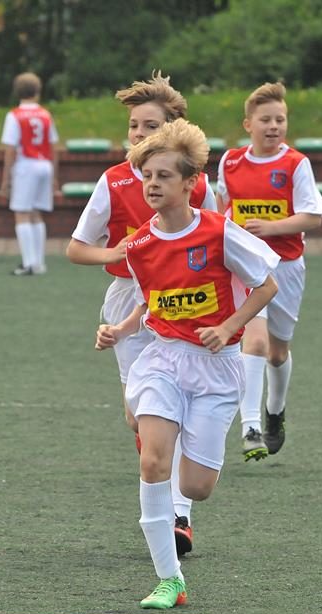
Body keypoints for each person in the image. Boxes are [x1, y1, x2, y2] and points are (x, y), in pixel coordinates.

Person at [95, 119, 278, 609]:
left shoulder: (219, 233)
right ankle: (168, 579)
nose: (152, 185)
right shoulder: (139, 246)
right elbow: (150, 303)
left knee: (197, 486)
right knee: (153, 460)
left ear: (190, 182)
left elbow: (266, 285)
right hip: (163, 358)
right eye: (147, 176)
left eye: (164, 176)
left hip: (218, 367)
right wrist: (120, 329)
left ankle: (185, 505)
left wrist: (229, 326)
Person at [66, 73, 217, 556]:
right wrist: (115, 253)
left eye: (150, 126)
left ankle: (178, 516)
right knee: (140, 418)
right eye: (134, 125)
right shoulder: (113, 181)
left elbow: (218, 241)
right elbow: (76, 247)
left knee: (177, 404)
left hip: (182, 299)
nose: (138, 134)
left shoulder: (197, 185)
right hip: (128, 297)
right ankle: (164, 499)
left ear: (173, 130)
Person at [217, 82, 322, 461]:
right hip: (248, 266)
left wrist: (271, 227)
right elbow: (223, 209)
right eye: (266, 119)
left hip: (286, 266)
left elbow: (313, 216)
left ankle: (274, 411)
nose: (274, 126)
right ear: (248, 124)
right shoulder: (230, 162)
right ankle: (250, 428)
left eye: (280, 119)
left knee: (277, 353)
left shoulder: (296, 164)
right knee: (255, 342)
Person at [0, 72, 59, 275]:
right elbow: (53, 146)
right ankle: (39, 263)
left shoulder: (14, 115)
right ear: (38, 92)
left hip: (26, 166)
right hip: (44, 165)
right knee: (36, 213)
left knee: (22, 213)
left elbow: (10, 149)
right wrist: (55, 176)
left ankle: (28, 263)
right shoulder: (45, 114)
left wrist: (6, 179)